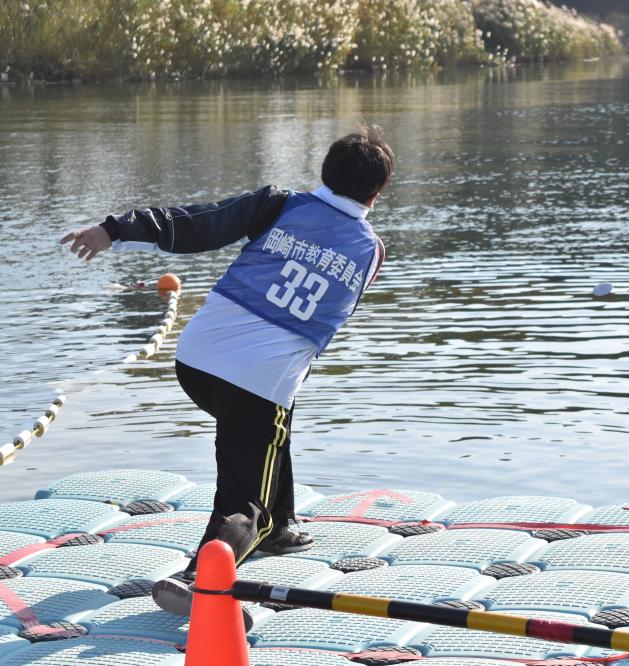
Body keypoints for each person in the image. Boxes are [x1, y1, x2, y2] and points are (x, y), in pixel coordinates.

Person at [60, 128, 394, 622]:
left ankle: (282, 525)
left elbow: (198, 223)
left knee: (271, 422)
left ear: (323, 174)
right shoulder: (372, 252)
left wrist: (114, 230)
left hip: (195, 358)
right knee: (246, 505)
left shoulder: (279, 205)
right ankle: (202, 577)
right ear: (376, 194)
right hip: (255, 383)